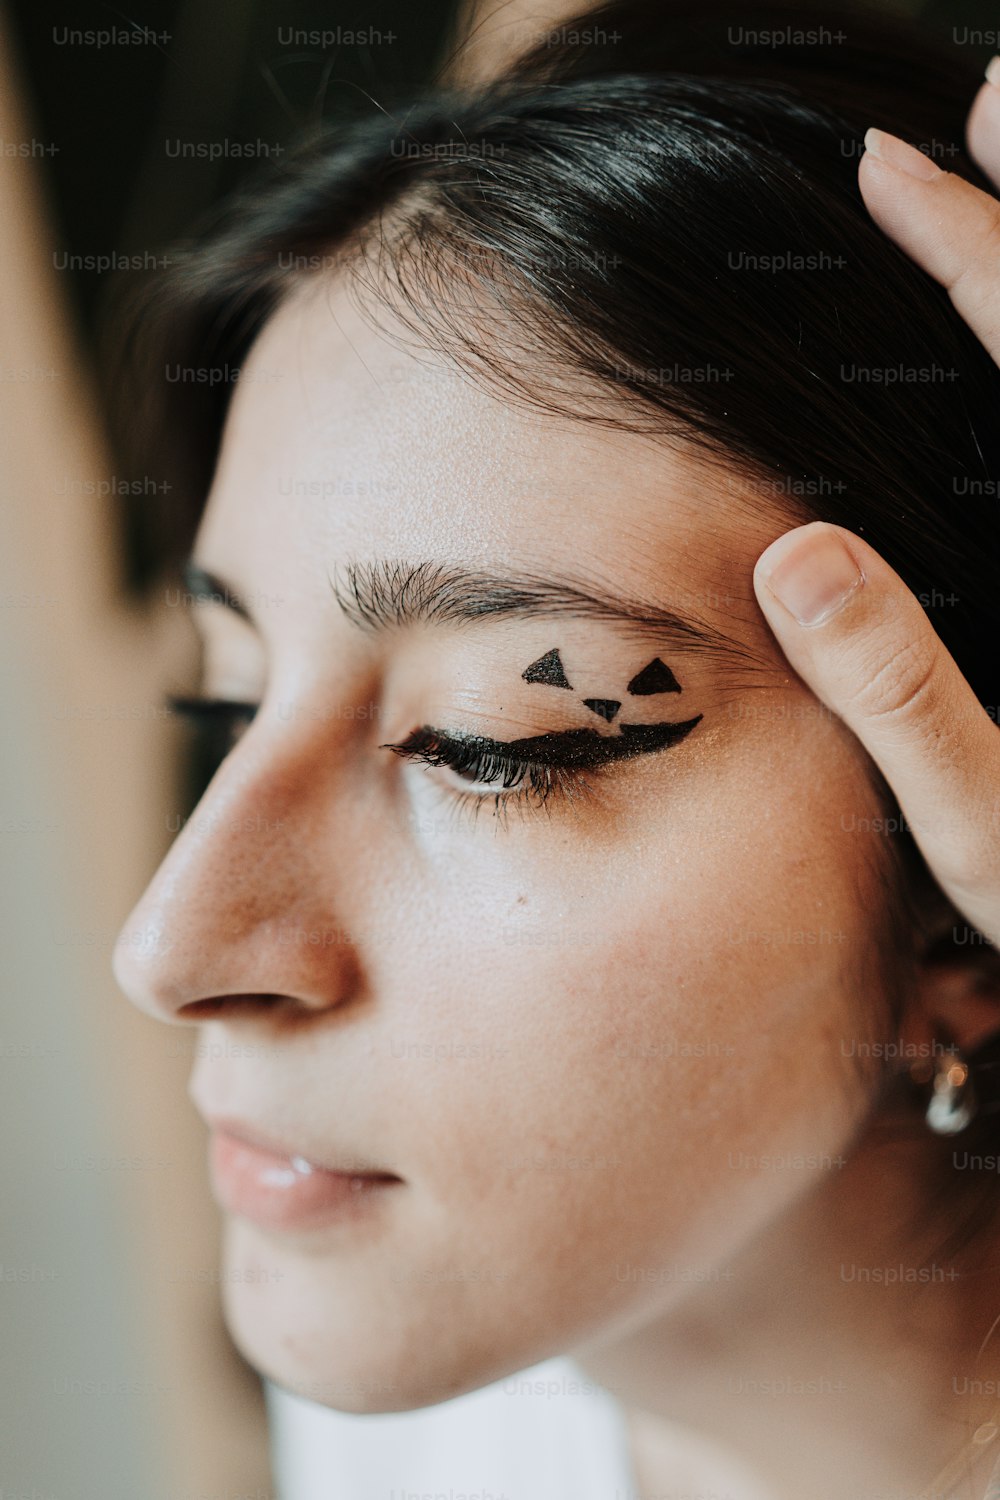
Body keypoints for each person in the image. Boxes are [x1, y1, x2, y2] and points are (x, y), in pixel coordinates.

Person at [110, 3, 1000, 1495]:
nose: (173, 947)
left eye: (489, 743)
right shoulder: (426, 1428)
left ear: (966, 930)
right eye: (229, 698)